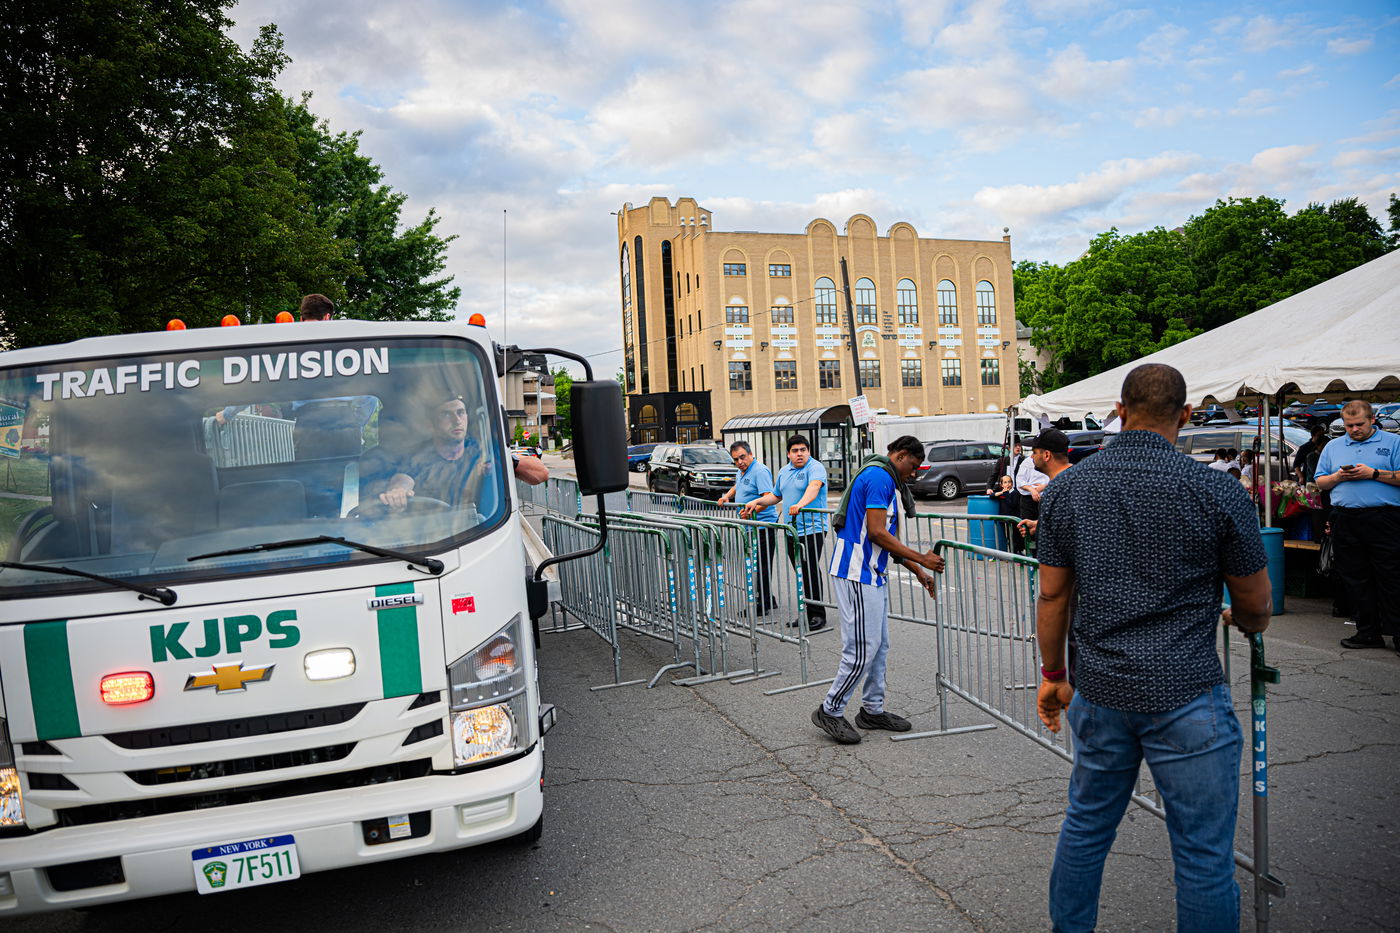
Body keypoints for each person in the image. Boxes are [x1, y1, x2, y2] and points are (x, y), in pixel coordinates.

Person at [1035, 363, 1272, 933]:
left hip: (1101, 688)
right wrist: (1245, 622)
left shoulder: (1070, 487)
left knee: (1087, 827)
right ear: (1186, 416)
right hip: (1187, 691)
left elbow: (1052, 597)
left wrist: (1053, 673)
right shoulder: (1217, 489)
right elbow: (1257, 604)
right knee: (1202, 856)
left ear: (1119, 411)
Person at [811, 435, 945, 745]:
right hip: (856, 573)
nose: (913, 474)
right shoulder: (880, 478)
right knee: (862, 649)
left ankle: (872, 709)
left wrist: (919, 571)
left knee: (879, 647)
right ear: (900, 455)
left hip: (871, 573)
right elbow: (876, 532)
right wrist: (922, 557)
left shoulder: (885, 478)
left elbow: (886, 541)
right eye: (912, 466)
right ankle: (830, 710)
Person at [1314, 399, 1400, 654]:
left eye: (1359, 424)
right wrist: (1338, 476)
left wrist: (1372, 473)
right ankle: (1367, 632)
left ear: (1372, 420)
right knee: (1354, 577)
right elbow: (1320, 482)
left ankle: (1398, 633)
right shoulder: (1333, 446)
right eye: (1349, 425)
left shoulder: (1393, 442)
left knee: (1392, 576)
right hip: (1345, 519)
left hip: (1384, 518)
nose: (1354, 430)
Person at [743, 435, 829, 632]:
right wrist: (756, 503)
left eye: (803, 450)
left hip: (813, 529)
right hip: (792, 530)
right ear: (789, 454)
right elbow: (775, 496)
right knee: (800, 571)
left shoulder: (815, 468)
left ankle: (818, 615)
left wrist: (800, 504)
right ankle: (806, 613)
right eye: (795, 451)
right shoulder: (784, 471)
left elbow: (813, 488)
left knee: (810, 569)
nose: (799, 454)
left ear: (808, 451)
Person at [377, 395, 493, 511]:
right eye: (446, 414)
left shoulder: (480, 450)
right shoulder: (419, 455)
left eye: (460, 412)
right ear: (430, 424)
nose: (457, 421)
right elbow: (404, 477)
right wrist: (398, 491)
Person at [721, 441, 780, 614]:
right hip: (751, 527)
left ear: (750, 454)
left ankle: (763, 605)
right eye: (736, 459)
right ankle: (769, 599)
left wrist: (751, 512)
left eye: (742, 457)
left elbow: (768, 497)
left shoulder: (759, 471)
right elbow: (738, 485)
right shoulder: (743, 471)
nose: (739, 462)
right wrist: (727, 496)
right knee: (758, 565)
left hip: (762, 526)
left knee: (761, 566)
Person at [1013, 429, 1071, 540]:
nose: (1032, 457)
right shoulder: (1058, 485)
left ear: (1047, 455)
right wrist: (1038, 525)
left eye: (1035, 452)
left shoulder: (1068, 486)